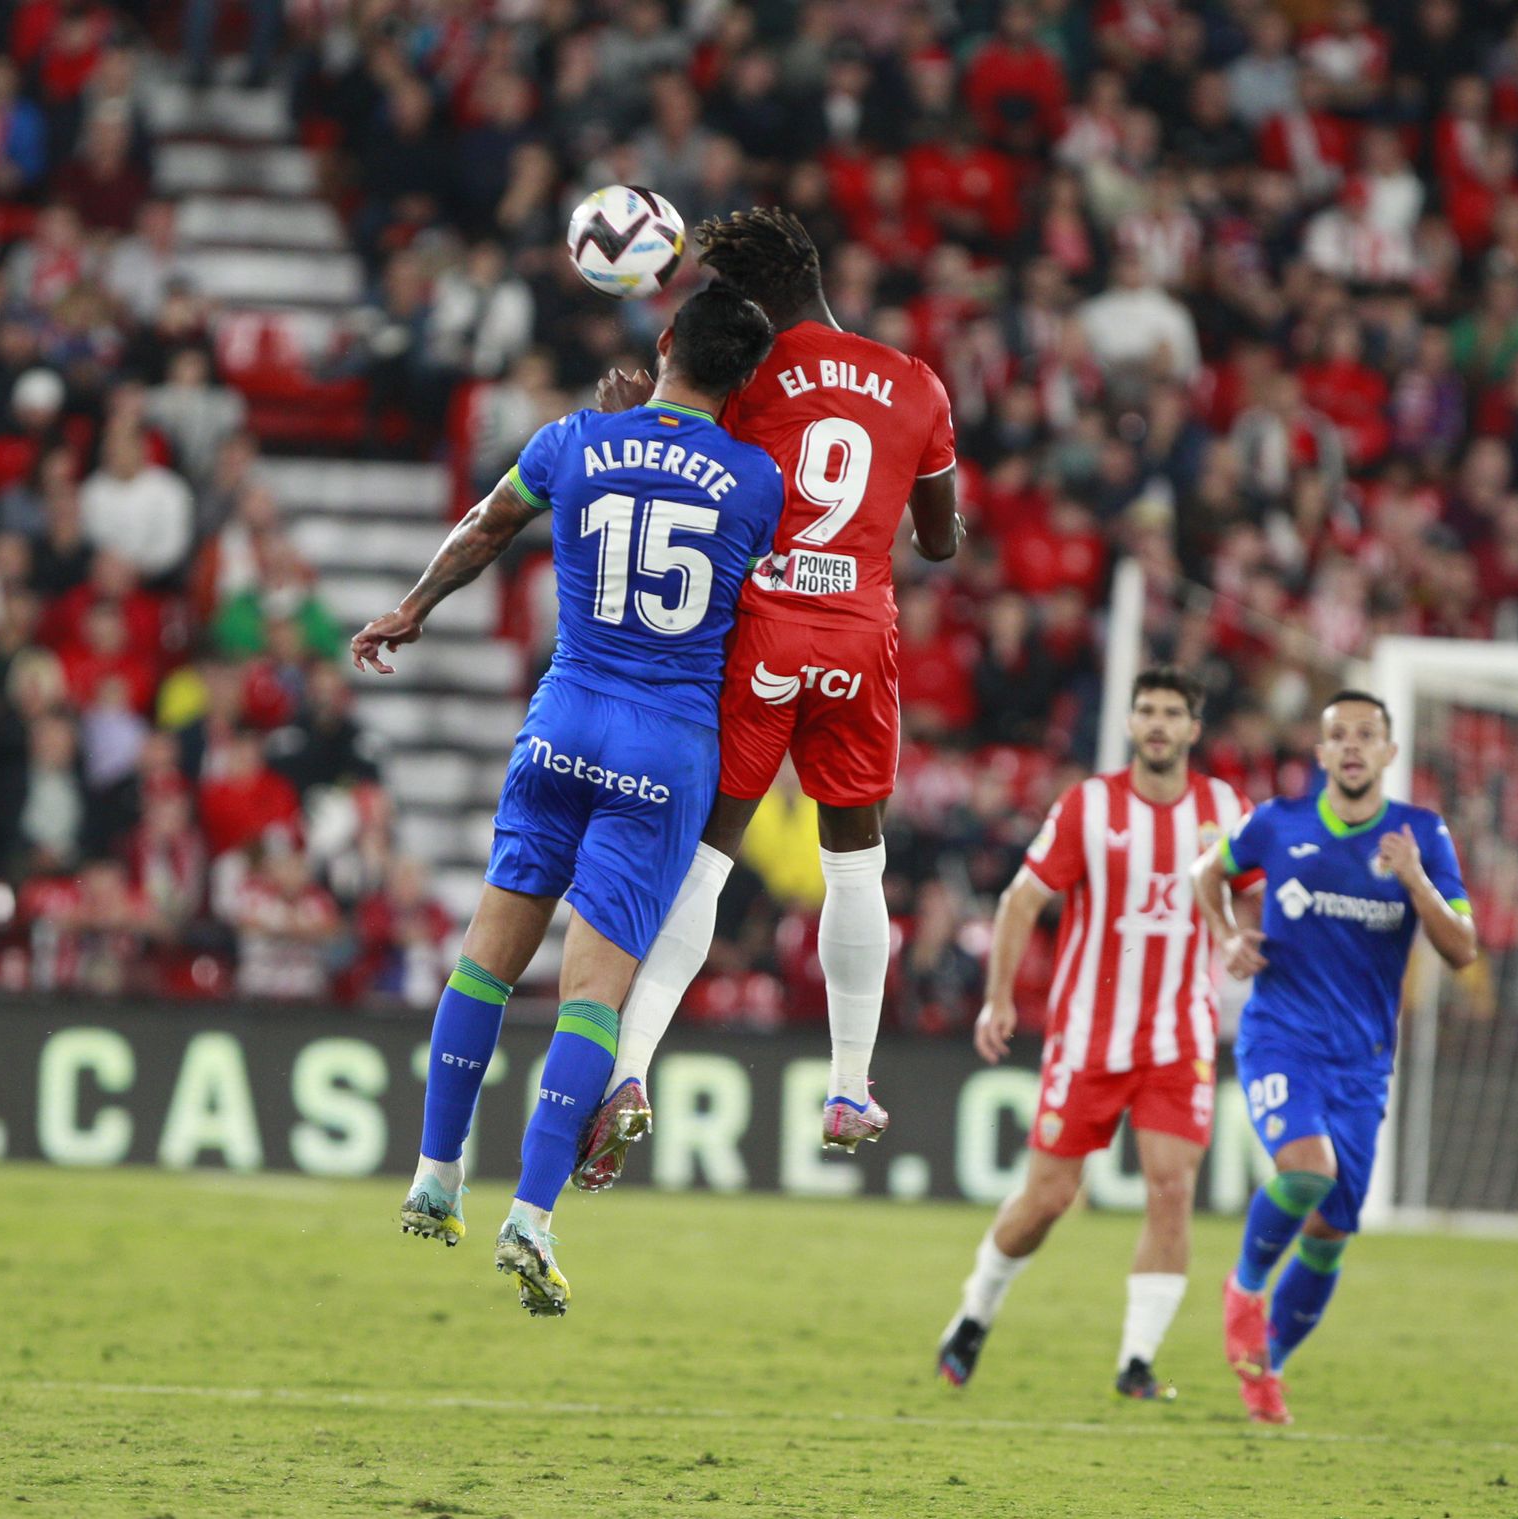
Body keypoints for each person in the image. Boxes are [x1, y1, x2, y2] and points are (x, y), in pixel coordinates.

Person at [349, 286, 782, 1317]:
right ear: (746, 378)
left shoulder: (575, 438)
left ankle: (433, 1171)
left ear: (665, 342)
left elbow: (488, 522)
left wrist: (411, 608)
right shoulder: (759, 478)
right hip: (663, 742)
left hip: (562, 718)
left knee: (486, 961)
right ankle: (530, 1216)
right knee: (589, 998)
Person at [575, 206, 961, 1190]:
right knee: (854, 862)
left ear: (752, 296)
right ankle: (846, 1083)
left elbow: (685, 457)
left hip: (763, 632)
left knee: (704, 867)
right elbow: (942, 540)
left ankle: (627, 1072)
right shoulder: (916, 383)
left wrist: (628, 407)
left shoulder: (746, 377)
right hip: (856, 640)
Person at [935, 668, 1255, 1399]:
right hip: (1087, 1036)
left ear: (1194, 728)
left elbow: (1260, 895)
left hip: (1179, 1036)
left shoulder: (1226, 809)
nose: (1158, 723)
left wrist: (1244, 936)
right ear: (1131, 722)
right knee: (1048, 1198)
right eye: (1147, 710)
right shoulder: (1090, 806)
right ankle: (975, 1310)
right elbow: (1021, 899)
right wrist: (997, 999)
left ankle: (1136, 1361)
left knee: (1172, 1189)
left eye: (1173, 712)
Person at [1191, 690, 1477, 1424]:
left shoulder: (1422, 834)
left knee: (1329, 1232)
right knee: (1308, 1171)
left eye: (1366, 735)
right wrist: (1226, 933)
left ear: (1388, 751)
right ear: (1319, 754)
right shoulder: (1279, 822)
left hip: (1365, 1062)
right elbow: (1205, 874)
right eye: (1337, 736)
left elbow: (1463, 948)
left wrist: (1415, 879)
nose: (1352, 746)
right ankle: (1245, 1288)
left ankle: (1267, 1371)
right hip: (1282, 1036)